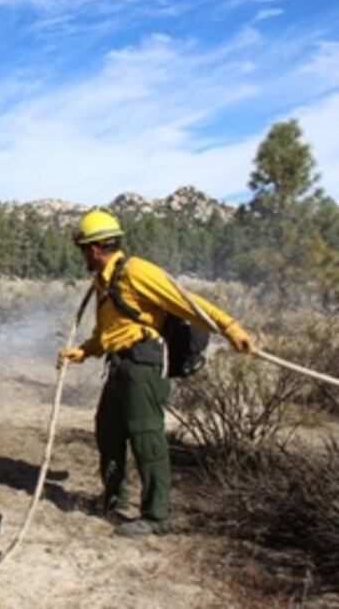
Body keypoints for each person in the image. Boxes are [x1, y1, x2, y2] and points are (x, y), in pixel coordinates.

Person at [57, 210, 255, 536]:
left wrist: (229, 326)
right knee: (107, 431)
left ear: (93, 249)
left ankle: (157, 516)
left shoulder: (136, 271)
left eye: (82, 249)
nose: (83, 256)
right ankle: (115, 500)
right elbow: (109, 332)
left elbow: (187, 302)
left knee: (146, 438)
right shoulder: (104, 284)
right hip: (119, 367)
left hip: (143, 368)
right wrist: (84, 351)